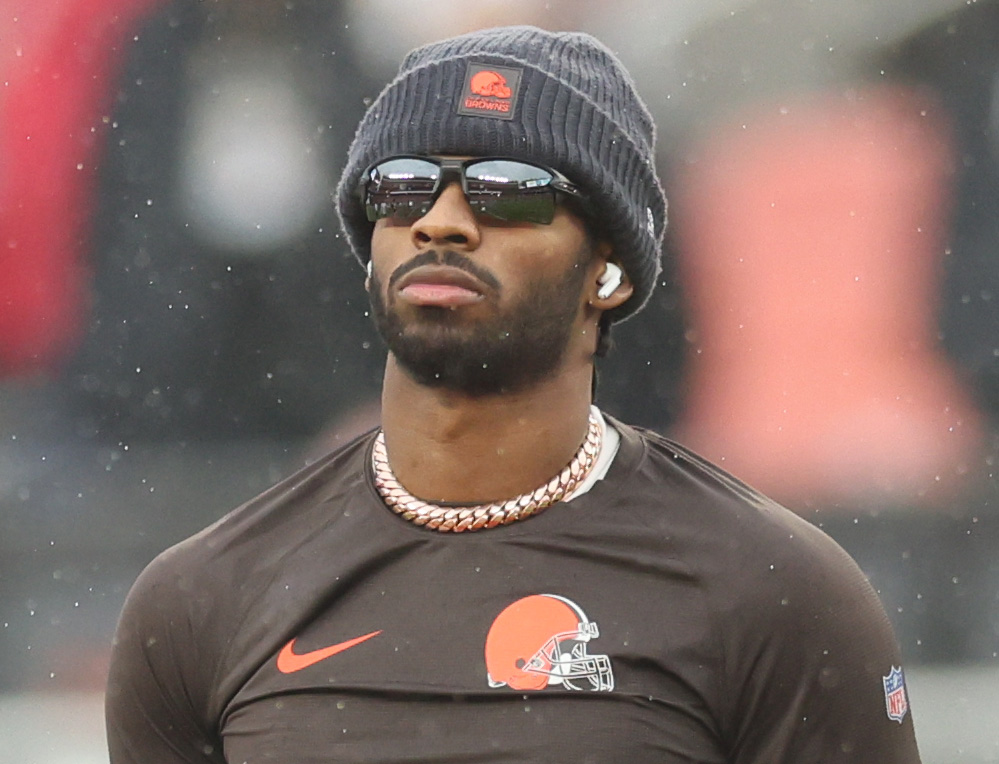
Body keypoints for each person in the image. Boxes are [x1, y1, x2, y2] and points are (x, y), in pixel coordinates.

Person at [105, 26, 922, 763]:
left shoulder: (771, 588)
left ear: (609, 267)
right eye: (401, 186)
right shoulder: (202, 601)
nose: (442, 220)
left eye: (510, 188)